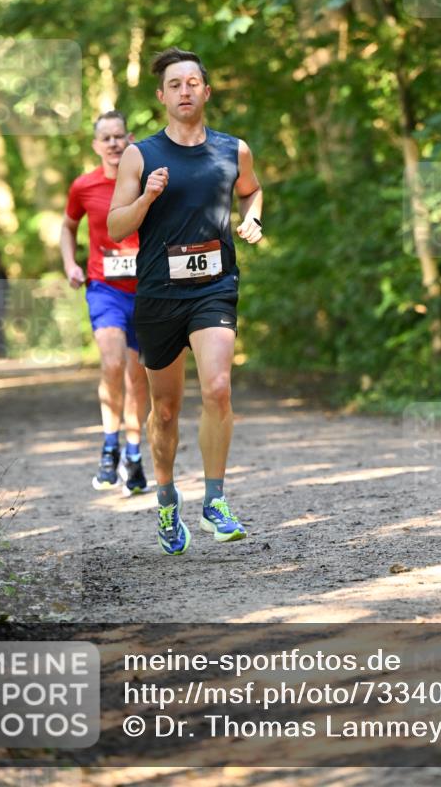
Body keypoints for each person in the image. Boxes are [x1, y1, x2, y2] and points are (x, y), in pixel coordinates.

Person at [107, 48, 263, 555]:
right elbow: (116, 226)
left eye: (193, 82)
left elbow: (252, 191)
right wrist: (146, 197)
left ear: (206, 91)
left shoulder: (233, 150)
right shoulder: (140, 155)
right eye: (175, 85)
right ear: (162, 96)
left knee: (217, 387)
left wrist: (253, 216)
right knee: (167, 410)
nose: (185, 91)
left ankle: (215, 499)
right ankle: (167, 500)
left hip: (214, 286)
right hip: (159, 292)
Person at [60, 110, 150, 496]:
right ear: (96, 145)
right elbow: (68, 227)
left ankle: (134, 453)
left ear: (130, 139)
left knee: (137, 377)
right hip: (104, 288)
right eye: (106, 138)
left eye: (119, 136)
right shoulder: (84, 186)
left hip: (147, 291)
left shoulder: (147, 181)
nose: (113, 143)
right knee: (112, 363)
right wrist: (70, 264)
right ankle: (110, 445)